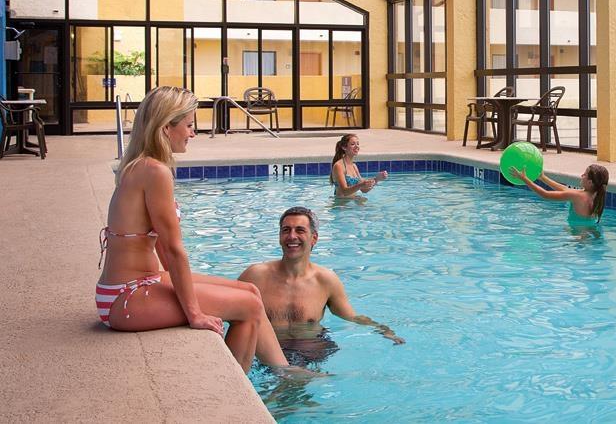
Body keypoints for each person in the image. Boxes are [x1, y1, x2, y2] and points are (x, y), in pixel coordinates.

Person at [96, 86, 297, 374]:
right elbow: (174, 249)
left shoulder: (139, 165)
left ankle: (282, 371)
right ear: (166, 127)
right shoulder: (155, 172)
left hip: (132, 286)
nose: (193, 133)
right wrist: (194, 313)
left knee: (251, 291)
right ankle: (235, 392)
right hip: (125, 298)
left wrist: (177, 286)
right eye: (189, 125)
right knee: (249, 307)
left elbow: (162, 248)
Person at [238, 206, 405, 361]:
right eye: (286, 230)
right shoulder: (256, 275)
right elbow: (228, 305)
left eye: (300, 230)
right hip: (267, 350)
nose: (292, 236)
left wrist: (382, 329)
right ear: (280, 237)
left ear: (314, 238)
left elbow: (350, 316)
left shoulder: (326, 280)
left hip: (311, 349)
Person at [509, 164, 610, 226]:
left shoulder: (579, 197)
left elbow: (545, 194)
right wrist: (543, 178)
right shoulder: (595, 194)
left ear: (590, 182)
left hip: (578, 238)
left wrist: (524, 179)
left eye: (585, 174)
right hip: (588, 232)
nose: (582, 175)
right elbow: (565, 189)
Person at [330, 133, 388, 198]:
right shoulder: (339, 166)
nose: (357, 146)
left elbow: (364, 190)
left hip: (352, 203)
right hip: (341, 206)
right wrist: (361, 185)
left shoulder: (354, 166)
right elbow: (345, 191)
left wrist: (377, 179)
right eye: (353, 144)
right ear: (344, 147)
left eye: (358, 144)